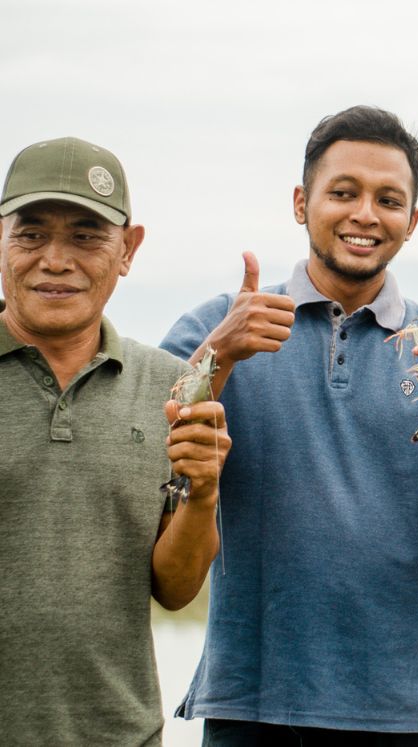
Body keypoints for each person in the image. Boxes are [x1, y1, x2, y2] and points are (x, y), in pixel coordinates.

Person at [160, 106, 418, 745]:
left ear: (413, 221)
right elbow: (159, 440)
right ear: (301, 202)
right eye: (342, 193)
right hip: (250, 697)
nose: (365, 214)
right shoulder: (221, 323)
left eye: (389, 199)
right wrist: (222, 351)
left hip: (404, 702)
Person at [0, 137, 229, 744]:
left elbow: (175, 590)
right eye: (31, 234)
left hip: (120, 734)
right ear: (0, 239)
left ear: (128, 250)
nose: (55, 260)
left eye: (85, 235)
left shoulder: (170, 386)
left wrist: (203, 493)